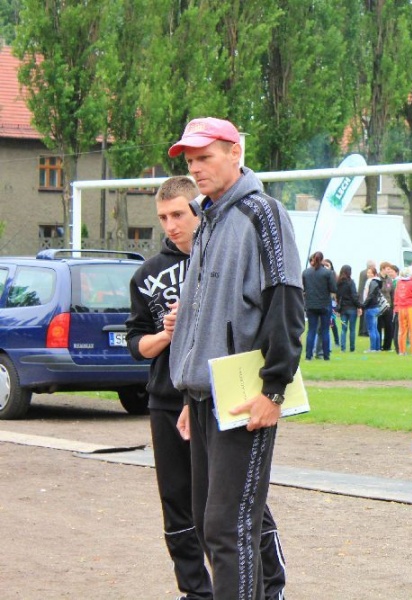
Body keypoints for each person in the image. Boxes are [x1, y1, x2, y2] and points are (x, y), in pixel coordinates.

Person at [167, 117, 304, 600]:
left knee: (230, 528)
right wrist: (188, 391)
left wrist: (274, 389)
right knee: (211, 526)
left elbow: (285, 301)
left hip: (245, 394)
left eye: (205, 157)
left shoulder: (263, 214)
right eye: (190, 161)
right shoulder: (208, 221)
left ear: (235, 152)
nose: (196, 168)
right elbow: (202, 318)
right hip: (206, 396)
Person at [125, 176, 213, 599]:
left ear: (198, 211)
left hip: (215, 398)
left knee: (222, 500)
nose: (171, 225)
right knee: (176, 501)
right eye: (163, 217)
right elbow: (135, 345)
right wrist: (165, 334)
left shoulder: (221, 258)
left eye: (178, 214)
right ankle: (195, 591)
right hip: (165, 399)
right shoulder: (147, 274)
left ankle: (253, 586)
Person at [303, 251, 337, 361]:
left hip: (311, 305)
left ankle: (308, 355)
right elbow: (333, 289)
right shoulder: (327, 273)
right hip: (324, 304)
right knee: (325, 331)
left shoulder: (306, 273)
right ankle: (326, 355)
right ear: (322, 260)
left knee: (311, 330)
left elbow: (304, 288)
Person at [393, 266, 412, 355]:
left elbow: (396, 295)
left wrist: (396, 306)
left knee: (402, 330)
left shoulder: (399, 283)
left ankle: (402, 351)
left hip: (401, 308)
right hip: (410, 307)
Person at [336, 264, 362, 352]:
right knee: (352, 329)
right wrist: (359, 306)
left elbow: (338, 296)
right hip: (352, 309)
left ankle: (342, 348)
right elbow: (354, 296)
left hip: (343, 309)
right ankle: (352, 348)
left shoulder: (339, 283)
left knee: (343, 329)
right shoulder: (351, 282)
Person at [360, 266, 383, 351]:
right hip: (375, 307)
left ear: (374, 274)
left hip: (371, 307)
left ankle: (373, 348)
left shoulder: (372, 282)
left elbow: (370, 295)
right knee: (375, 328)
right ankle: (377, 347)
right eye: (368, 272)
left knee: (371, 329)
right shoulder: (376, 281)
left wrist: (364, 304)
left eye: (370, 273)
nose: (368, 274)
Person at [378, 262, 397, 352]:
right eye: (388, 269)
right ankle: (377, 345)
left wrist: (393, 305)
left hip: (388, 306)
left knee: (389, 326)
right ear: (382, 269)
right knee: (378, 326)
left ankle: (387, 346)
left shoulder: (389, 280)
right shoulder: (377, 278)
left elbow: (392, 293)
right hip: (379, 305)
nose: (389, 271)